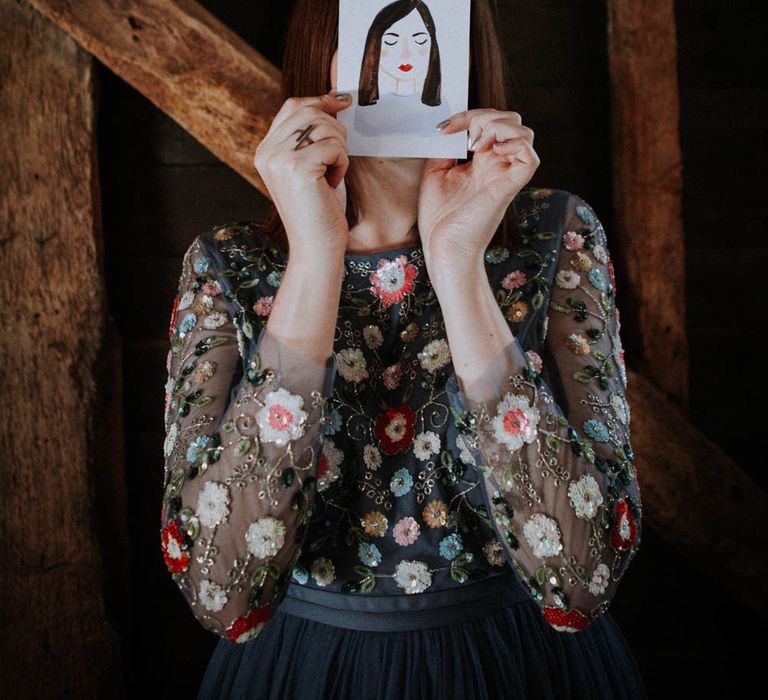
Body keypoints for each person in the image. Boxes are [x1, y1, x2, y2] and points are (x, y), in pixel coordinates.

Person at [159, 0, 647, 697]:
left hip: (529, 667)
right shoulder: (226, 267)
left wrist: (456, 261)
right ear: (323, 46)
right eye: (379, 33)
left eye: (430, 29)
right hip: (306, 671)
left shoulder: (556, 234)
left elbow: (585, 577)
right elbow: (220, 594)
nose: (403, 55)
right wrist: (316, 257)